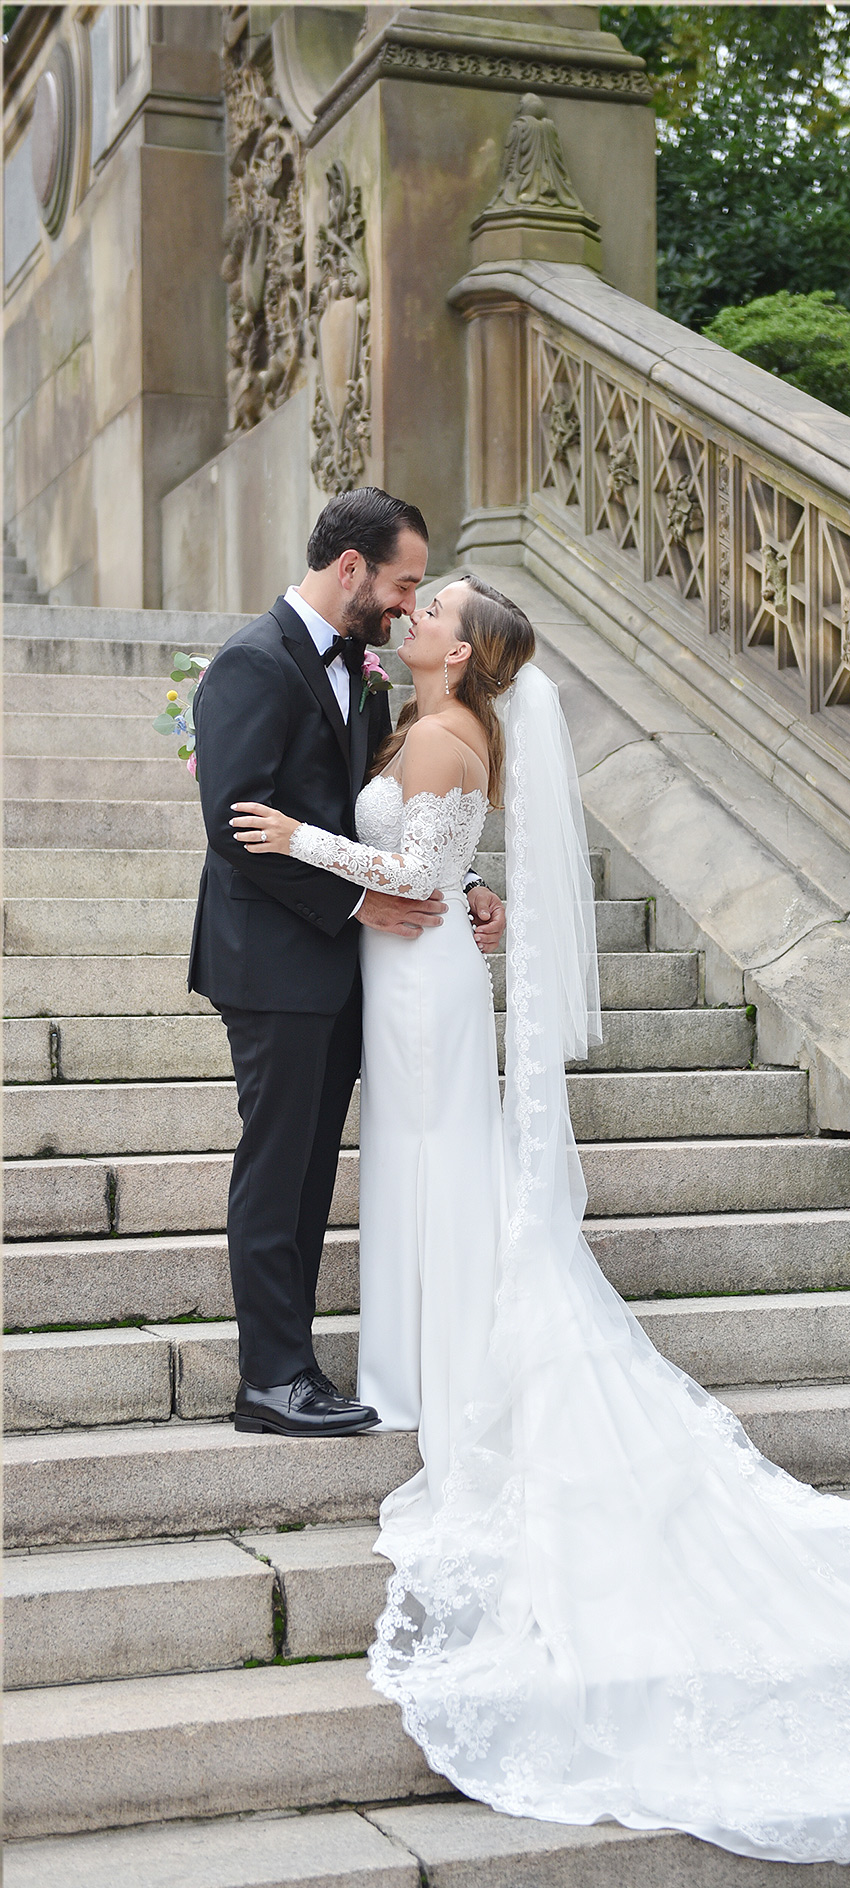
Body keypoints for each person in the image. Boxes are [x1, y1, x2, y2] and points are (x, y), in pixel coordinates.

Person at [229, 573, 850, 1868]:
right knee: (412, 1172)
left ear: (470, 647)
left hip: (422, 980)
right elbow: (445, 866)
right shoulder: (416, 717)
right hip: (399, 972)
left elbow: (417, 867)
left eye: (435, 608)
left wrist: (302, 843)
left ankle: (444, 1362)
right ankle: (414, 1356)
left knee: (443, 1168)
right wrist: (436, 879)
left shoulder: (452, 731)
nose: (417, 616)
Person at [188, 491, 505, 1438]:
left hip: (343, 968)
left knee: (313, 1172)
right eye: (406, 582)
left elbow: (389, 810)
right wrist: (364, 901)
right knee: (277, 1169)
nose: (411, 604)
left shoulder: (365, 677)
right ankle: (271, 1382)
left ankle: (298, 1370)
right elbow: (236, 825)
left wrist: (468, 875)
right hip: (271, 963)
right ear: (353, 567)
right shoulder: (251, 663)